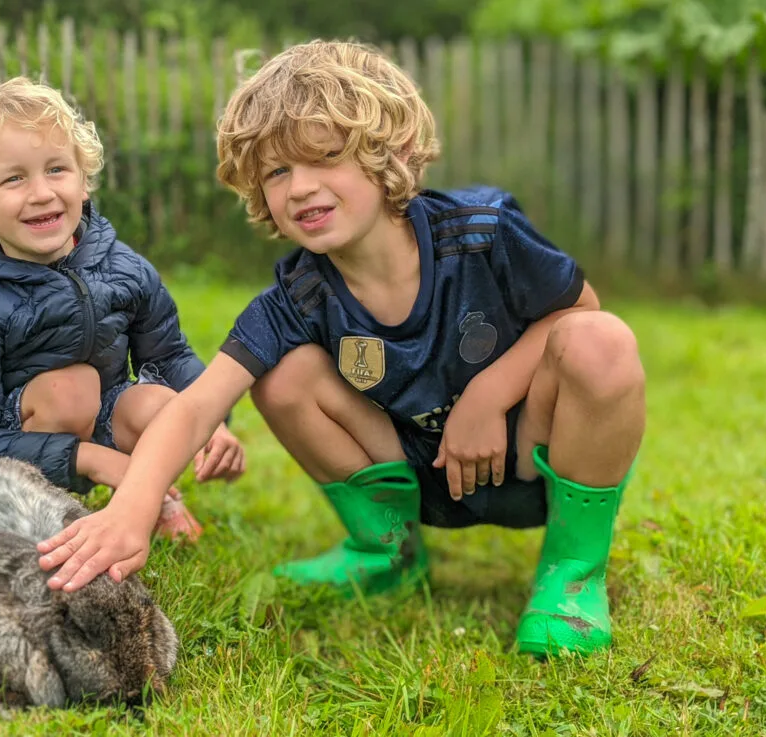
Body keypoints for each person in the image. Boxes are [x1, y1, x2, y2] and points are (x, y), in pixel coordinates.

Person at [36, 41, 645, 657]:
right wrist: (131, 511)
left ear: (389, 154)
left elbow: (581, 309)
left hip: (521, 459)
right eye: (277, 172)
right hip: (420, 474)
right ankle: (387, 552)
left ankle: (573, 577)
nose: (300, 187)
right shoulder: (297, 297)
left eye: (324, 157)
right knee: (281, 374)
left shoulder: (482, 231)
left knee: (602, 342)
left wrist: (488, 396)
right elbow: (194, 408)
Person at [0, 77, 245, 539]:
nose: (41, 192)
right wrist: (91, 458)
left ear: (84, 182)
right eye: (14, 178)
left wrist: (209, 421)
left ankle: (142, 494)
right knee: (71, 388)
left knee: (161, 402)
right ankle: (51, 511)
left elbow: (170, 356)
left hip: (107, 413)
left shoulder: (122, 267)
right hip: (21, 441)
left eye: (56, 169)